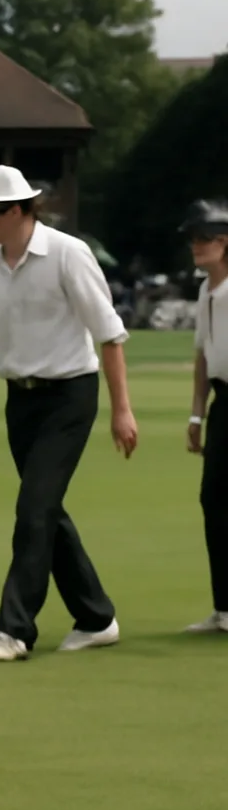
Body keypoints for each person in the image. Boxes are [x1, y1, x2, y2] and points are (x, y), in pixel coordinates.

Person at [0, 164, 138, 661]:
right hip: (20, 401)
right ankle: (96, 616)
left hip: (70, 395)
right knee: (45, 512)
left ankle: (15, 631)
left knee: (33, 509)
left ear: (21, 210)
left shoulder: (68, 255)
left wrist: (122, 411)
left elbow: (109, 334)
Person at [180, 199, 228, 633]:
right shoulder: (205, 290)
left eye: (204, 239)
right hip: (223, 404)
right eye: (193, 239)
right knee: (213, 498)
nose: (196, 246)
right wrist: (196, 417)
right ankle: (224, 607)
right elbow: (202, 356)